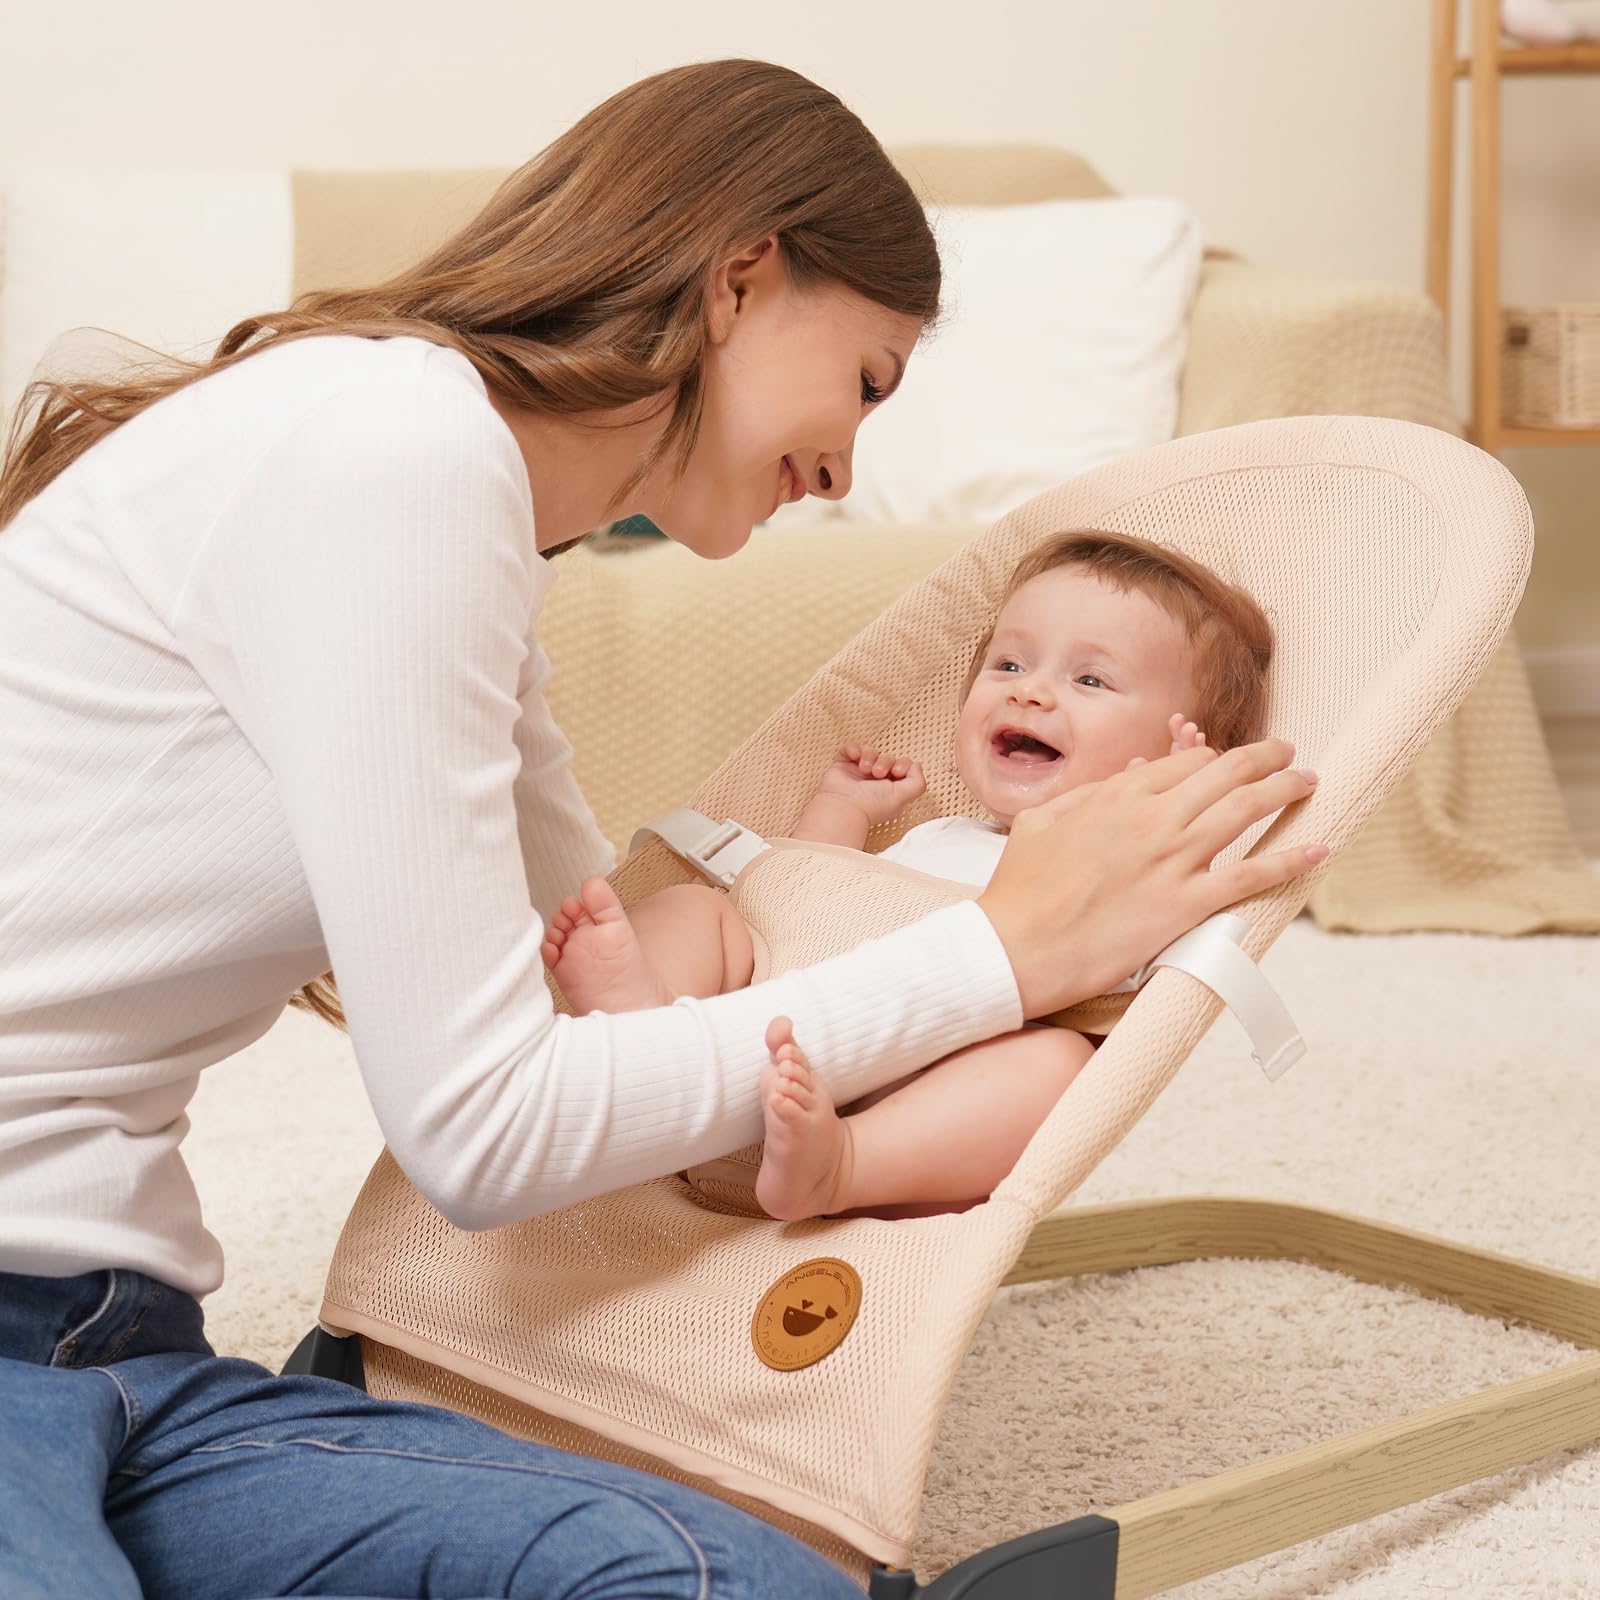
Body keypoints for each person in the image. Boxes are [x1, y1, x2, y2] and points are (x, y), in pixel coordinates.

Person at [0, 58, 1325, 1600]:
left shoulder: (469, 521)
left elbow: (590, 950)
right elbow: (485, 1132)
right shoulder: (388, 451)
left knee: (729, 1580)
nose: (846, 460)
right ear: (742, 281)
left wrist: (986, 916)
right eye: (869, 380)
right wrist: (1008, 948)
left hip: (113, 1345)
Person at [542, 528, 1279, 1223]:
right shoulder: (934, 833)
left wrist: (1179, 809)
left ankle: (843, 1166)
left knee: (1054, 1066)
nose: (1029, 692)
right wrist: (841, 811)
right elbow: (797, 900)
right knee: (701, 910)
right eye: (1009, 664)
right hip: (746, 1029)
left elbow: (1151, 955)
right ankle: (646, 1021)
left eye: (1091, 679)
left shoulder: (1115, 884)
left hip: (897, 1101)